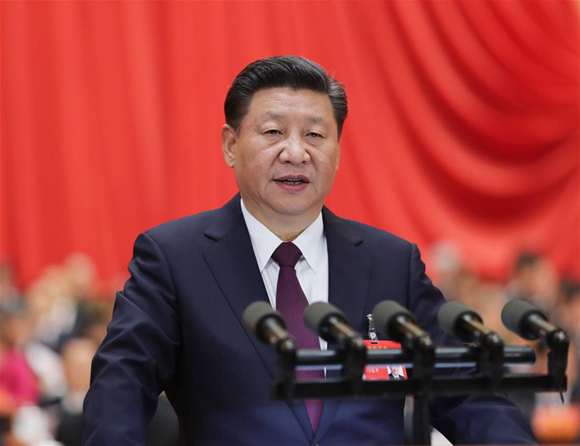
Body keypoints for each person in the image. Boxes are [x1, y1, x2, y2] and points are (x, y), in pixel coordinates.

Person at [83, 56, 535, 445]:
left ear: (338, 150)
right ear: (229, 145)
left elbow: (467, 393)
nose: (295, 153)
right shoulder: (174, 257)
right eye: (273, 132)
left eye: (316, 136)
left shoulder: (390, 262)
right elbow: (121, 385)